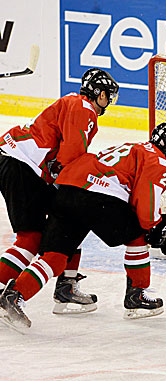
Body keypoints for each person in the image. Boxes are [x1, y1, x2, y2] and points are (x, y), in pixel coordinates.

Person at [0, 123, 166, 328]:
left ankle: (16, 296)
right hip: (97, 197)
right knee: (138, 235)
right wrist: (160, 229)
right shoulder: (159, 161)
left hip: (66, 190)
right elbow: (145, 211)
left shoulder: (132, 147)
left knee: (55, 256)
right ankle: (136, 297)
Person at [0, 68, 119, 314]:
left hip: (19, 163)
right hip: (21, 165)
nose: (108, 102)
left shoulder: (73, 104)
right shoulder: (84, 109)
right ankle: (61, 285)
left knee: (67, 219)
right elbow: (69, 156)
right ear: (98, 93)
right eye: (108, 96)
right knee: (32, 238)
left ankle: (67, 285)